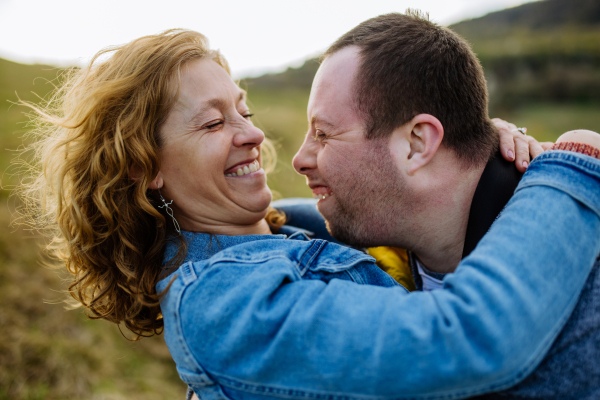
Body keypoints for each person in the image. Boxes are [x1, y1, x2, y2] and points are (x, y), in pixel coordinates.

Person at [14, 29, 600, 400]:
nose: (254, 134)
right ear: (146, 167)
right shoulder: (221, 298)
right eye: (214, 123)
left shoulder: (281, 232)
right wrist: (570, 164)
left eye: (242, 110)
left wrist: (473, 149)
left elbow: (417, 190)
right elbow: (460, 341)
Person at [286, 11, 600, 399]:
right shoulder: (368, 240)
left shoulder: (584, 309)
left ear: (418, 143)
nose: (300, 158)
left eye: (322, 133)